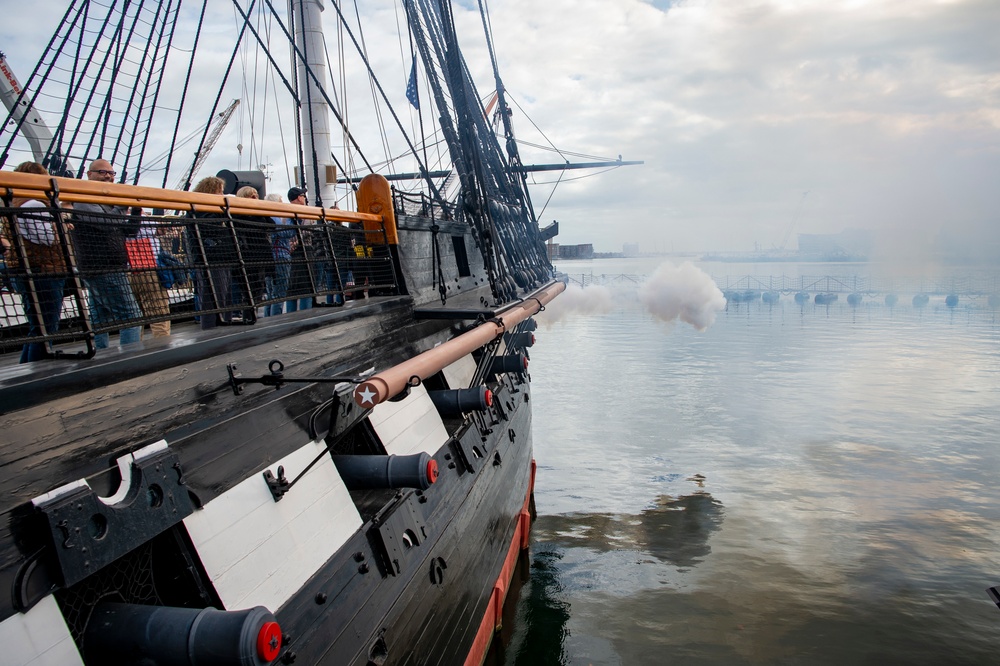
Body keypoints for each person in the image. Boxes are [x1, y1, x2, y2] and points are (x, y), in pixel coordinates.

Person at [72, 159, 143, 349]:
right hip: (102, 266)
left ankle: (99, 355)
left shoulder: (108, 203)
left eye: (111, 173)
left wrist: (135, 211)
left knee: (100, 317)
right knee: (131, 315)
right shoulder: (82, 197)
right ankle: (130, 362)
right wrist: (123, 204)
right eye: (103, 172)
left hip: (108, 266)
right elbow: (105, 222)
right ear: (90, 174)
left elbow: (128, 232)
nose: (108, 177)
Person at [3, 161, 70, 362]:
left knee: (38, 327)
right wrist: (64, 222)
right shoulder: (33, 204)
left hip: (27, 269)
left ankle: (26, 369)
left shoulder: (13, 203)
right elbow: (48, 239)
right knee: (46, 327)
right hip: (44, 270)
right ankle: (34, 372)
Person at [187, 176, 234, 329]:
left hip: (220, 258)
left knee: (224, 297)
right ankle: (211, 331)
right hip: (210, 259)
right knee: (212, 297)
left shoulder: (206, 210)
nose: (222, 195)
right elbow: (208, 228)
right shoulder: (199, 209)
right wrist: (223, 210)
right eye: (219, 192)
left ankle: (223, 326)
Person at [125, 210, 171, 338]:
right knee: (158, 313)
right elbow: (159, 230)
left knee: (135, 316)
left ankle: (134, 350)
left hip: (128, 271)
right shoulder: (141, 219)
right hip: (147, 269)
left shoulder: (117, 218)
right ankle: (163, 350)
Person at [231, 186, 272, 324]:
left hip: (259, 254)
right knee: (247, 287)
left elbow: (271, 226)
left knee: (258, 287)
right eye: (251, 196)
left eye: (256, 195)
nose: (255, 197)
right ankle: (248, 315)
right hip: (246, 254)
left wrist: (260, 210)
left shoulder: (259, 213)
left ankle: (251, 314)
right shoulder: (238, 214)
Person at [263, 193, 297, 317]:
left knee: (271, 293)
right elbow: (287, 232)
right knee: (279, 293)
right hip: (281, 255)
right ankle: (275, 321)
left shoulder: (267, 217)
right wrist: (291, 219)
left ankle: (268, 319)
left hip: (271, 256)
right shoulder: (275, 218)